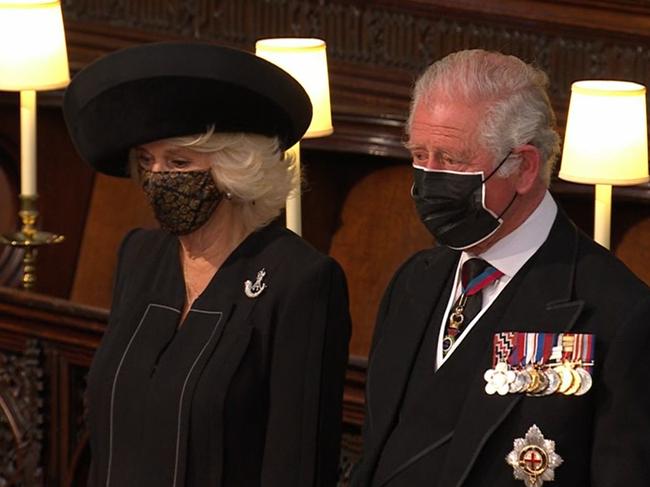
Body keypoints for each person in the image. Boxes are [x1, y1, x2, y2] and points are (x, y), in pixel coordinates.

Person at [351, 49, 650, 487]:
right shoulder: (414, 280)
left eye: (451, 160)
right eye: (420, 154)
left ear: (525, 167)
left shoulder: (618, 313)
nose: (427, 179)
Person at [63, 41, 351, 487]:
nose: (158, 177)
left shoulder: (298, 280)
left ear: (234, 170)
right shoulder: (140, 255)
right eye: (147, 162)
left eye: (179, 162)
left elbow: (297, 463)